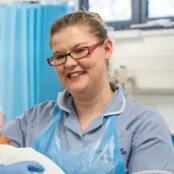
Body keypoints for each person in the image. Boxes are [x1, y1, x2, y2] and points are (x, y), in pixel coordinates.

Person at [0, 11, 174, 174]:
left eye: (80, 50)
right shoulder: (32, 120)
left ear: (107, 49)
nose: (69, 63)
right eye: (59, 56)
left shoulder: (144, 125)